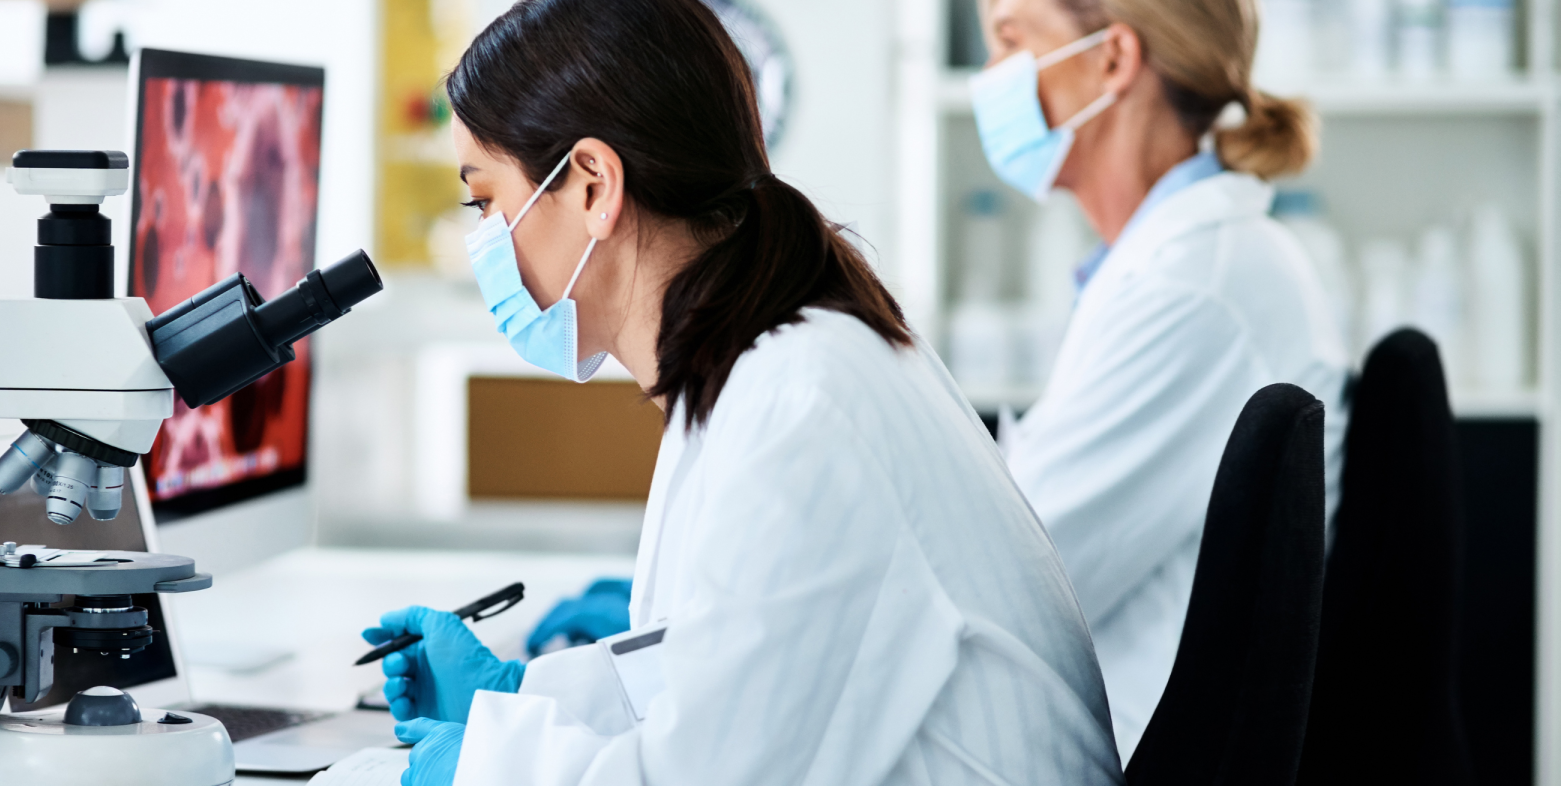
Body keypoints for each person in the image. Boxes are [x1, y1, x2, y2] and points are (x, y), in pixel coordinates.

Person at [363, 1, 1125, 784]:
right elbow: (730, 673)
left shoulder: (801, 402)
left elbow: (707, 772)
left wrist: (487, 768)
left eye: (485, 202)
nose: (485, 241)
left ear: (593, 185)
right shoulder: (758, 370)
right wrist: (526, 695)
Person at [974, 0, 1350, 762]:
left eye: (1011, 41)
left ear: (1113, 60)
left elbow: (1016, 585)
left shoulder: (1191, 289)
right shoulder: (1172, 266)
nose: (991, 79)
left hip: (1128, 742)